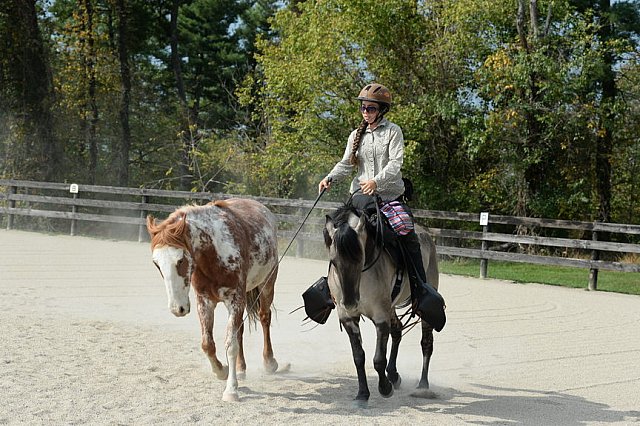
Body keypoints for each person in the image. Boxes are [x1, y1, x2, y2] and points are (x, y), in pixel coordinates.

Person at [318, 82, 428, 294]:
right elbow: (346, 163)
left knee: (407, 232)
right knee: (337, 234)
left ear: (382, 110)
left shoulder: (393, 132)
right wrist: (329, 177)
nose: (365, 112)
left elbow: (396, 163)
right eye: (363, 108)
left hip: (388, 198)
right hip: (359, 199)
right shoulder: (355, 136)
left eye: (371, 108)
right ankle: (330, 289)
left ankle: (420, 289)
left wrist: (376, 181)